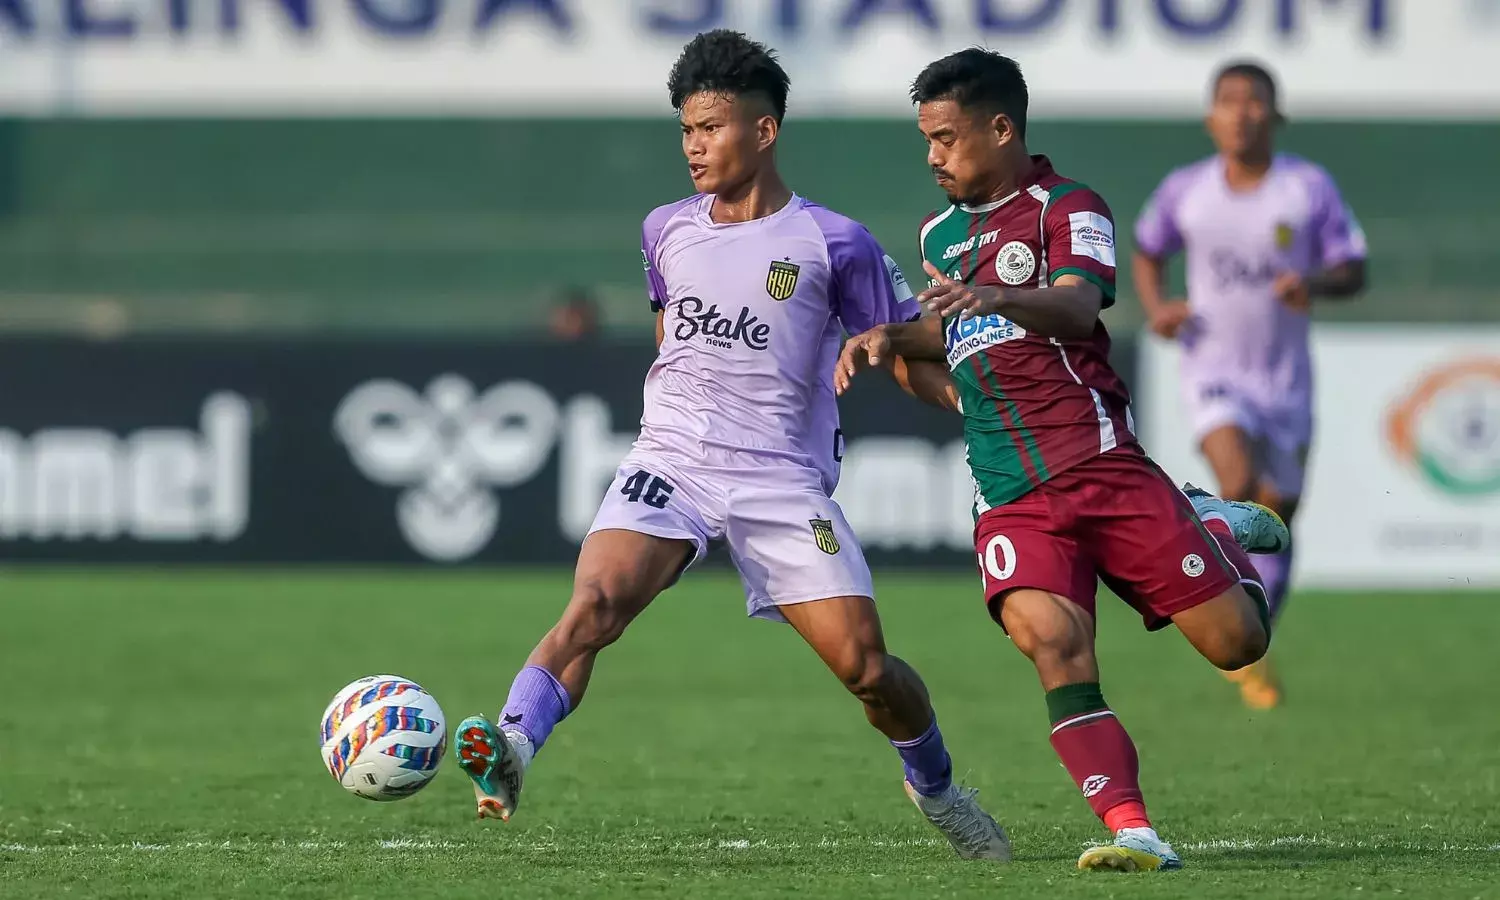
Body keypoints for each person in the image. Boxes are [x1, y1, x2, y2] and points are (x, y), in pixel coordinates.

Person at [450, 30, 1010, 862]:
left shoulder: (836, 242)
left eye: (710, 127)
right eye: (686, 129)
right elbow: (670, 334)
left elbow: (903, 347)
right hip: (672, 460)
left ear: (764, 130)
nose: (693, 146)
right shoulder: (665, 229)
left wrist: (977, 404)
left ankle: (936, 789)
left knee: (866, 669)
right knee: (595, 603)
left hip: (780, 477)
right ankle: (512, 747)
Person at [835, 49, 1290, 873]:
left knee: (1239, 644)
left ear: (1000, 129)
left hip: (1101, 465)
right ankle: (1133, 830)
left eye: (946, 138)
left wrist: (998, 295)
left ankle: (1209, 522)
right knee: (1053, 644)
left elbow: (1080, 308)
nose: (933, 156)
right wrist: (887, 338)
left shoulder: (1069, 207)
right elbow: (954, 331)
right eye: (926, 139)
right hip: (1009, 492)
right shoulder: (940, 233)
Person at [1132, 61, 1368, 709]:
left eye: (1254, 100)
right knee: (1235, 483)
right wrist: (1159, 307)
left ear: (1276, 114)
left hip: (1285, 380)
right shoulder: (1187, 190)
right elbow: (1148, 249)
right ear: (1211, 117)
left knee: (1276, 520)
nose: (1241, 112)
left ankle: (1250, 640)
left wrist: (1314, 282)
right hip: (1212, 369)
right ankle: (1184, 566)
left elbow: (1354, 267)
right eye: (1229, 100)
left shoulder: (1307, 188)